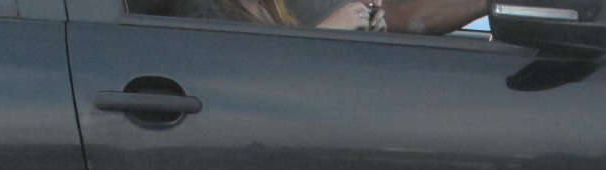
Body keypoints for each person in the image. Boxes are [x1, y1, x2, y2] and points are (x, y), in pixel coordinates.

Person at [167, 0, 485, 34]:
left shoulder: (273, 7)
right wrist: (326, 32)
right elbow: (251, 77)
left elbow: (406, 18)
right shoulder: (200, 11)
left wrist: (366, 18)